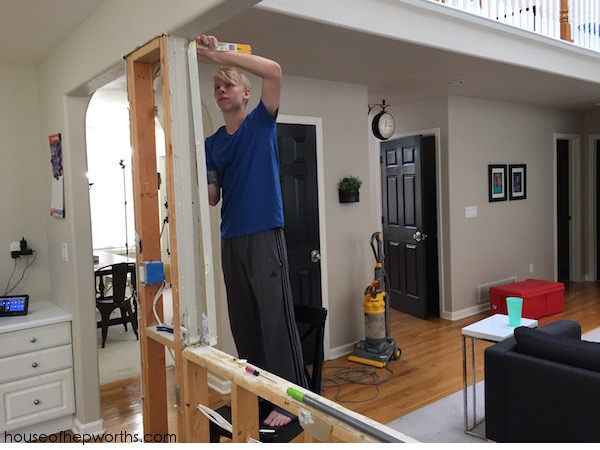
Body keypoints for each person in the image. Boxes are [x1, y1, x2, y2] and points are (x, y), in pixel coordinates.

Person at [196, 34, 307, 428]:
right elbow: (212, 196)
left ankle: (290, 400)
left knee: (275, 319)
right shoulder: (212, 144)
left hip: (264, 233)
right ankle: (261, 393)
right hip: (231, 238)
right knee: (243, 322)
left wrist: (217, 56)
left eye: (228, 85)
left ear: (245, 93)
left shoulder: (261, 122)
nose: (221, 90)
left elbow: (274, 72)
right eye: (216, 87)